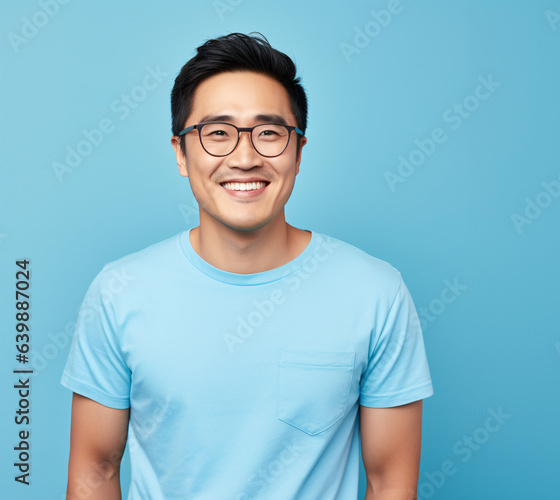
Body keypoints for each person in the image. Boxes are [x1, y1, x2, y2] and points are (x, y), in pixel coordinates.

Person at [61, 32, 432, 500]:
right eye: (218, 133)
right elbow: (94, 471)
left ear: (298, 153)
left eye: (269, 133)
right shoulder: (119, 291)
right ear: (180, 153)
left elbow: (390, 483)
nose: (244, 157)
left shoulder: (376, 292)